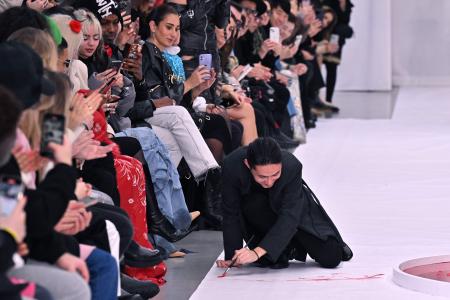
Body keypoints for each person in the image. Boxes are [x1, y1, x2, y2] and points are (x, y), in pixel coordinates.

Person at [218, 137, 353, 269]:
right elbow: (231, 214)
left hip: (293, 211)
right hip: (259, 215)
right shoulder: (232, 166)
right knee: (270, 261)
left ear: (281, 164)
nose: (269, 182)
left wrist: (257, 252)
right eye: (262, 177)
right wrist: (232, 257)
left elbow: (290, 215)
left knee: (331, 257)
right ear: (248, 164)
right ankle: (284, 249)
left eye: (275, 174)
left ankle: (291, 244)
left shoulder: (292, 165)